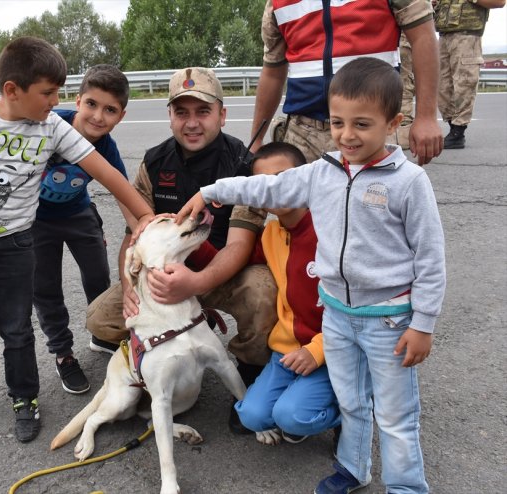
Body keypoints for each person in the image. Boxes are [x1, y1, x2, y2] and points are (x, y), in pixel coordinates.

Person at [177, 57, 445, 494]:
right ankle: (354, 470)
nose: (347, 135)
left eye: (362, 124)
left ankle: (408, 488)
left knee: (396, 415)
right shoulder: (323, 172)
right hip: (337, 316)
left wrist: (423, 324)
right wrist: (210, 191)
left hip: (388, 320)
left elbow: (431, 258)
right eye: (338, 122)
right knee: (353, 402)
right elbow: (265, 188)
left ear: (393, 122)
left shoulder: (409, 182)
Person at [0, 37, 153, 443]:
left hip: (14, 246)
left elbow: (109, 175)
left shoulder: (53, 127)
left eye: (58, 92)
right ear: (12, 90)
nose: (55, 100)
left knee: (17, 329)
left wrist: (145, 217)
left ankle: (24, 397)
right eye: (48, 92)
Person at [85, 67, 278, 433]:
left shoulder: (244, 164)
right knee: (99, 319)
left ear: (222, 114)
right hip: (166, 282)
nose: (192, 123)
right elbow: (134, 235)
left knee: (264, 291)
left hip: (223, 272)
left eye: (203, 112)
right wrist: (129, 287)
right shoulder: (154, 162)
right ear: (170, 116)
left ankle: (250, 372)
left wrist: (195, 283)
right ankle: (165, 352)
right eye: (182, 112)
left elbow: (239, 245)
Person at [233, 142, 341, 446]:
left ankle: (354, 409)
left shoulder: (332, 231)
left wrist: (317, 351)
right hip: (286, 350)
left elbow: (355, 307)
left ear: (305, 178)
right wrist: (190, 238)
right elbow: (232, 260)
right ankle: (300, 401)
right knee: (251, 416)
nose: (274, 188)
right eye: (263, 183)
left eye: (283, 177)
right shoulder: (271, 234)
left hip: (335, 349)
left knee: (292, 417)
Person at [33, 64, 130, 395]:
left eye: (110, 110)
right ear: (78, 101)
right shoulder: (48, 124)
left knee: (97, 277)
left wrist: (142, 228)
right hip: (36, 221)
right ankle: (63, 354)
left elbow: (124, 194)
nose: (98, 116)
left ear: (122, 115)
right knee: (45, 288)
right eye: (92, 104)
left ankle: (103, 334)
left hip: (78, 213)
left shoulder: (107, 148)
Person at [250, 0, 443, 166]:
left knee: (370, 205)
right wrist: (256, 140)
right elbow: (273, 72)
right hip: (302, 132)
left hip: (368, 127)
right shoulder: (277, 3)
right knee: (297, 208)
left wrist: (426, 117)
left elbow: (423, 37)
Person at [435, 0, 506, 149]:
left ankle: (458, 132)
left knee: (464, 83)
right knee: (442, 86)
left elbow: (499, 2)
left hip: (467, 36)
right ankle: (452, 126)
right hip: (444, 35)